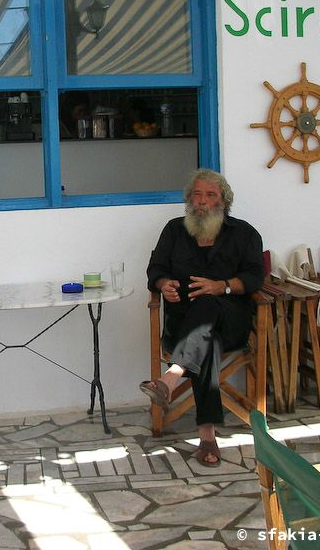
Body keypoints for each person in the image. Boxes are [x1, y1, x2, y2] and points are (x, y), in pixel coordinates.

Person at [140, 168, 263, 467]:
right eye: (197, 194)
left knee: (208, 302)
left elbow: (255, 277)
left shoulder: (244, 234)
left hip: (231, 319)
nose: (202, 201)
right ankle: (206, 437)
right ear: (189, 199)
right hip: (183, 325)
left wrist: (222, 286)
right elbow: (155, 270)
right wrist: (163, 284)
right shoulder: (173, 230)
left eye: (210, 195)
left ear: (223, 201)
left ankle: (171, 376)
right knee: (206, 342)